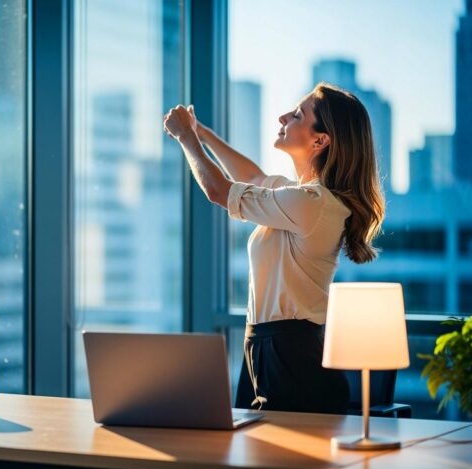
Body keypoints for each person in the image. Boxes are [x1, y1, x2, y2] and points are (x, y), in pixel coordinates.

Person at [162, 82, 385, 414]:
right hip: (265, 346)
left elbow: (219, 191)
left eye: (297, 115)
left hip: (291, 355)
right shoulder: (302, 197)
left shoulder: (312, 203)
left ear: (320, 141)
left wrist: (186, 138)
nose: (283, 117)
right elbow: (252, 178)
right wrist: (202, 133)